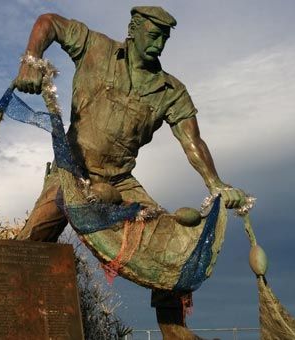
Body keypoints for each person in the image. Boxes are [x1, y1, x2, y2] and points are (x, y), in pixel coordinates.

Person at [13, 6, 246, 339]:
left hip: (120, 181)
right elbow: (48, 22)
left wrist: (216, 183)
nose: (158, 44)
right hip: (72, 171)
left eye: (164, 38)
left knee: (168, 246)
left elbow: (192, 140)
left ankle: (174, 331)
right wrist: (30, 59)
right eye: (153, 35)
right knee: (28, 244)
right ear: (134, 30)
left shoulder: (170, 91)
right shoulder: (96, 48)